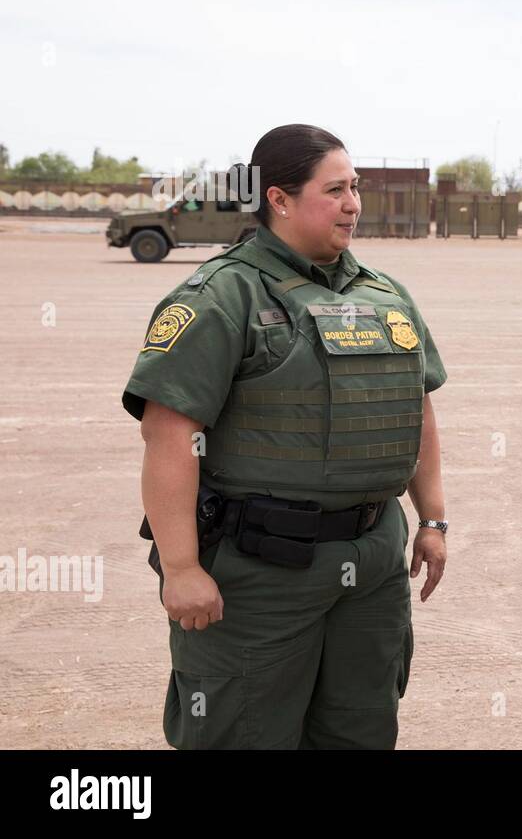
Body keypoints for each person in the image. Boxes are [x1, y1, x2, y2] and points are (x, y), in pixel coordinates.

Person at [123, 124, 450, 749]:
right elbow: (169, 439)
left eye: (356, 187)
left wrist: (432, 521)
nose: (354, 203)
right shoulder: (221, 297)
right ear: (279, 199)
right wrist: (182, 567)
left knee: (361, 730)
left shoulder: (386, 297)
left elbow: (419, 413)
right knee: (244, 733)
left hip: (372, 568)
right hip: (261, 574)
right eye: (335, 190)